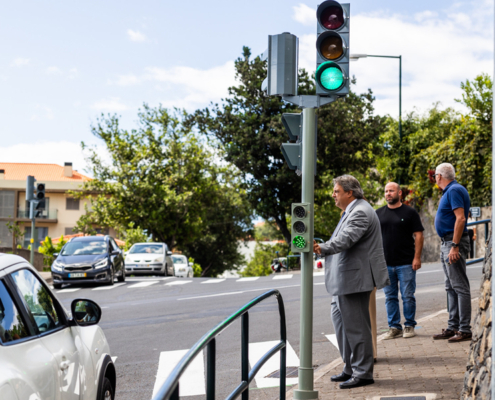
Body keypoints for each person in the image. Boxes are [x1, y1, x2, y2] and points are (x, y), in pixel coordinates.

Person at [313, 175, 390, 389]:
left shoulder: (361, 212)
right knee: (342, 326)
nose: (333, 195)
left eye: (336, 191)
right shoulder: (352, 210)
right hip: (344, 281)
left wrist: (321, 248)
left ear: (350, 192)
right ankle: (350, 367)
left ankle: (363, 373)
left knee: (357, 328)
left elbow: (346, 238)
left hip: (354, 280)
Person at [376, 182, 424, 340]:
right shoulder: (378, 213)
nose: (388, 194)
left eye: (391, 191)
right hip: (385, 263)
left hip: (406, 262)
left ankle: (409, 325)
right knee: (390, 297)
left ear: (399, 193)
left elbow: (418, 235)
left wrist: (417, 257)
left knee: (408, 295)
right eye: (386, 191)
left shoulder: (409, 212)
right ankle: (394, 327)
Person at [432, 163, 472, 342]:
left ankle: (464, 329)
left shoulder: (454, 190)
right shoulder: (450, 190)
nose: (434, 178)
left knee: (459, 286)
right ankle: (453, 326)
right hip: (446, 242)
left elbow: (461, 218)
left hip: (452, 242)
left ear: (439, 176)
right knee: (450, 286)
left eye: (435, 175)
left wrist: (455, 245)